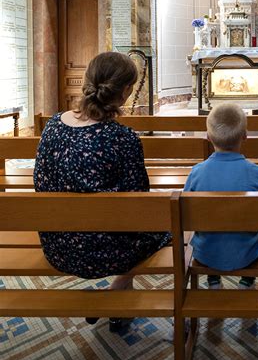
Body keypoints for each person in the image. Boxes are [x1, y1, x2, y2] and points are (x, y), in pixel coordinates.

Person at [34, 52, 172, 330]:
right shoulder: (123, 138)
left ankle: (117, 297)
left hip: (58, 247)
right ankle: (118, 292)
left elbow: (41, 181)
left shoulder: (52, 127)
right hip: (109, 252)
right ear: (125, 93)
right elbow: (139, 204)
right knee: (167, 230)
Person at [183, 103, 258, 289]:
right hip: (247, 253)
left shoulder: (196, 172)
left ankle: (213, 279)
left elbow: (187, 212)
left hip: (206, 253)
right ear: (245, 136)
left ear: (208, 137)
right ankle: (247, 280)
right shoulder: (257, 173)